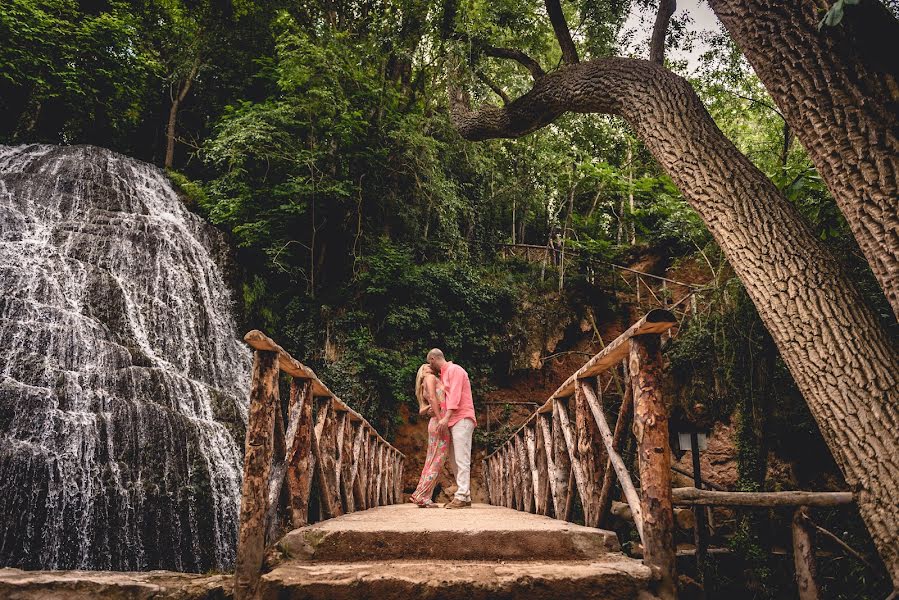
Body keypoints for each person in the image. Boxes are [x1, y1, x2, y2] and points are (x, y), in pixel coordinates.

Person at [426, 348, 477, 509]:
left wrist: (446, 417)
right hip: (454, 420)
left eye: (429, 363)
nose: (429, 366)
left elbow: (455, 395)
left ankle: (462, 495)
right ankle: (465, 495)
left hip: (461, 418)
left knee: (462, 458)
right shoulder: (445, 373)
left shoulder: (455, 370)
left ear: (433, 359)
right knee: (455, 459)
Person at [408, 364, 449, 507]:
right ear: (423, 371)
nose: (429, 366)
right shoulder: (430, 377)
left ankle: (421, 494)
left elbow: (422, 410)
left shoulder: (422, 385)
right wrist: (440, 417)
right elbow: (433, 397)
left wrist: (431, 409)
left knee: (432, 460)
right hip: (438, 421)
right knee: (437, 460)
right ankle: (422, 496)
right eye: (426, 366)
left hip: (433, 422)